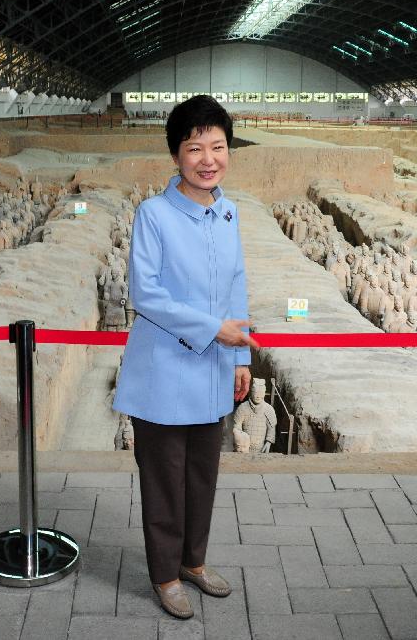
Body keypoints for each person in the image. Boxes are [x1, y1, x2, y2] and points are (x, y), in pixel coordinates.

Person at [112, 95, 259, 620]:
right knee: (164, 481)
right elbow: (146, 295)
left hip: (217, 367)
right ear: (176, 155)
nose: (207, 158)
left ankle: (194, 562)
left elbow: (236, 280)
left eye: (217, 146)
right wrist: (212, 329)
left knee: (202, 476)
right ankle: (165, 575)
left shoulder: (227, 210)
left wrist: (240, 355)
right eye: (194, 147)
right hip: (166, 371)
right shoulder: (153, 215)